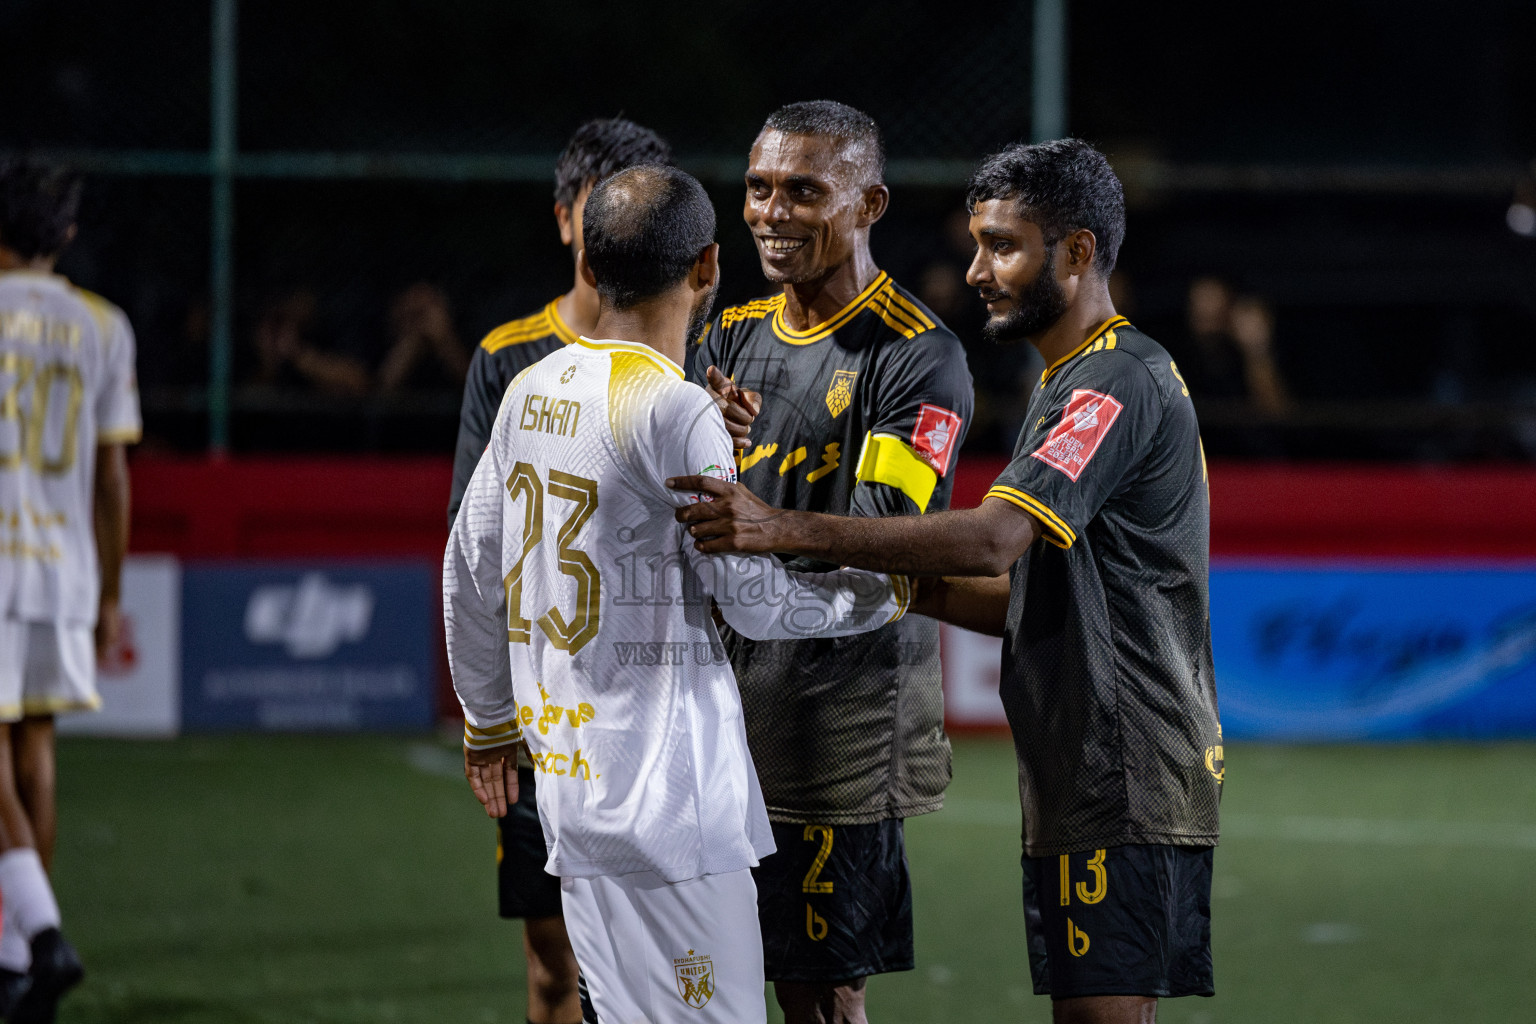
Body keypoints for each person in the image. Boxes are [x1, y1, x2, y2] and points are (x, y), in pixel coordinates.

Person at [671, 139, 1221, 1024]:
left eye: (1003, 246)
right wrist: (877, 578)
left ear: (1076, 253)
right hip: (1087, 753)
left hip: (1127, 759)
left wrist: (781, 526)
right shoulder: (1074, 379)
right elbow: (1026, 599)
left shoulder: (1110, 382)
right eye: (976, 245)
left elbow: (994, 541)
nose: (975, 271)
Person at [444, 164, 912, 1024]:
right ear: (706, 266)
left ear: (591, 260)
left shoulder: (530, 390)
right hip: (670, 813)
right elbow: (754, 603)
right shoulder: (674, 408)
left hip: (573, 798)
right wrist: (877, 593)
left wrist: (488, 723)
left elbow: (467, 568)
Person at [688, 100, 973, 1024]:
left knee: (819, 993)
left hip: (840, 722)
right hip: (725, 706)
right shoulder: (728, 336)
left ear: (869, 204)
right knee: (709, 969)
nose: (770, 212)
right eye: (759, 189)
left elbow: (893, 535)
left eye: (803, 191)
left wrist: (771, 524)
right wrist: (694, 431)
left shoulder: (917, 355)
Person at [444, 116, 675, 1024]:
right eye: (600, 207)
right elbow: (477, 542)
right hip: (550, 718)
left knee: (665, 963)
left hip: (661, 713)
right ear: (566, 219)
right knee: (557, 969)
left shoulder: (694, 353)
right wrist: (492, 713)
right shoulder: (509, 360)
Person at [0, 158, 141, 1020]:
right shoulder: (103, 324)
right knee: (35, 750)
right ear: (69, 235)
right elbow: (113, 475)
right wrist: (111, 590)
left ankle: (42, 936)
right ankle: (17, 960)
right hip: (61, 562)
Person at [376, 282, 469, 394]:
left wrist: (444, 343)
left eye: (423, 313)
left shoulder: (466, 329)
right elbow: (375, 394)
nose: (422, 322)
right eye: (414, 315)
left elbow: (482, 387)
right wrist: (409, 347)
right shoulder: (378, 337)